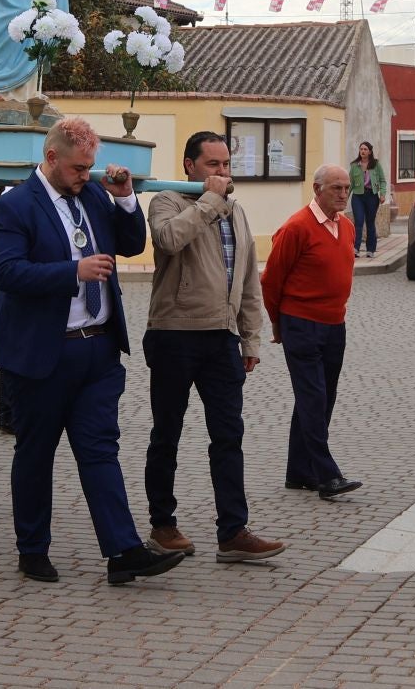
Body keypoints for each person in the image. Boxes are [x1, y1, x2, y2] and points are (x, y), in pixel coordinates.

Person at [0, 117, 184, 585]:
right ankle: (32, 548)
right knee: (36, 454)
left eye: (90, 167)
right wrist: (72, 271)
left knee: (100, 451)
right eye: (78, 168)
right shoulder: (14, 206)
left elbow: (132, 244)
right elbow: (8, 273)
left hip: (97, 350)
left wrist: (125, 199)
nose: (85, 175)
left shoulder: (94, 194)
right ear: (51, 158)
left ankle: (123, 551)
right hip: (41, 355)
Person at [142, 131, 284, 563]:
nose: (223, 173)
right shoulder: (168, 201)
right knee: (167, 433)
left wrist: (250, 336)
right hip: (174, 335)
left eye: (226, 165)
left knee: (228, 435)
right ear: (190, 166)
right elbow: (167, 241)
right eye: (213, 165)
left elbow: (247, 280)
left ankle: (233, 531)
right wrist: (207, 203)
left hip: (221, 340)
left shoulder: (236, 212)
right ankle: (163, 525)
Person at [262, 164, 362, 501]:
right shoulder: (296, 228)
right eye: (336, 188)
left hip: (335, 324)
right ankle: (326, 474)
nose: (343, 194)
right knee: (313, 397)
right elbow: (271, 281)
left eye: (346, 188)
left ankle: (299, 472)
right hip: (300, 322)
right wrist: (277, 321)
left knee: (322, 397)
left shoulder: (346, 227)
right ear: (317, 189)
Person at [347, 141, 388, 258]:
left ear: (370, 151)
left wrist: (382, 194)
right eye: (361, 149)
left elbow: (382, 181)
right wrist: (345, 197)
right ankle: (355, 248)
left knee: (370, 222)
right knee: (358, 222)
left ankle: (370, 249)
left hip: (372, 196)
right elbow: (350, 183)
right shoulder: (354, 165)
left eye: (365, 149)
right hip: (358, 196)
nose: (363, 151)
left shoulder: (375, 164)